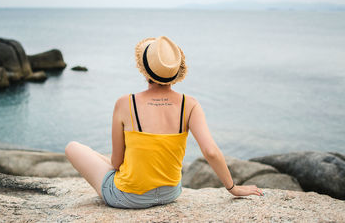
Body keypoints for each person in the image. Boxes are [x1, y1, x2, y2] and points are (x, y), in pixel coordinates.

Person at [65, 36, 264, 209]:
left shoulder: (126, 103)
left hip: (127, 197)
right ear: (176, 72)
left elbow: (117, 163)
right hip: (170, 193)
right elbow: (211, 151)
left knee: (73, 147)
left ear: (144, 71)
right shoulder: (190, 104)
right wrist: (233, 188)